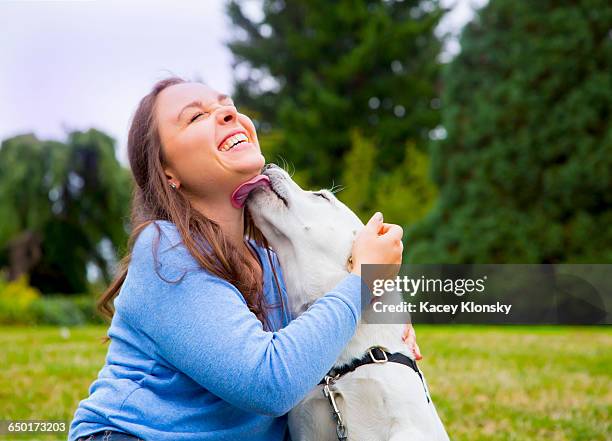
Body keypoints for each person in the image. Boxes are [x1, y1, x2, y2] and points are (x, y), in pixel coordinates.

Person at [68, 77, 421, 441]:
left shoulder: (271, 261)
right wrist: (365, 280)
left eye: (227, 105)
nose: (226, 113)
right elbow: (268, 383)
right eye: (194, 117)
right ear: (166, 172)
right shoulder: (164, 250)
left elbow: (321, 327)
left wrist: (387, 321)